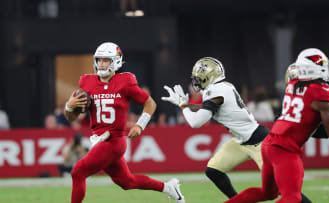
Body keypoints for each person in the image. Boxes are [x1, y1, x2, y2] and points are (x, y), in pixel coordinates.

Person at [161, 57, 312, 203]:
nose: (196, 81)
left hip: (260, 142)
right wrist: (186, 105)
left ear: (208, 76)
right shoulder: (223, 87)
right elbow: (205, 108)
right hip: (242, 141)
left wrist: (183, 105)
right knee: (213, 170)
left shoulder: (215, 91)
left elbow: (195, 122)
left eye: (199, 77)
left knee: (282, 189)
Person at [64, 42, 185, 203]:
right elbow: (71, 118)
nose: (101, 64)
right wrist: (69, 106)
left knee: (77, 171)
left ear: (115, 61)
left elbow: (150, 103)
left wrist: (140, 124)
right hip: (99, 140)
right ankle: (168, 188)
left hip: (114, 141)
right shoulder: (87, 82)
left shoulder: (125, 81)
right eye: (99, 60)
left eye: (105, 60)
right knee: (127, 182)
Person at [226, 48, 329, 203]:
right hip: (286, 149)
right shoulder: (321, 91)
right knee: (292, 198)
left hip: (269, 144)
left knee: (267, 193)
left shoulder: (293, 84)